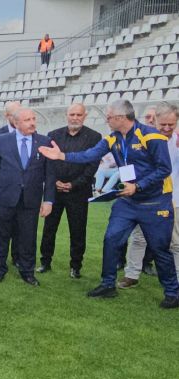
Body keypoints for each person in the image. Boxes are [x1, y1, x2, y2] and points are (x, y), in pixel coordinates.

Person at [38, 99, 179, 308]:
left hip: (154, 203)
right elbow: (89, 155)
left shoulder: (152, 136)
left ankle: (172, 293)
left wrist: (138, 186)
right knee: (111, 239)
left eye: (109, 117)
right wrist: (61, 155)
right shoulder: (112, 138)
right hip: (127, 202)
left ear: (121, 118)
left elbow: (164, 169)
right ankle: (107, 284)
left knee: (160, 248)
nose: (107, 120)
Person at [0, 107, 55, 286]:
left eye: (33, 119)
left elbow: (50, 174)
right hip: (5, 196)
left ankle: (27, 271)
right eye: (27, 120)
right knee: (1, 235)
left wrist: (48, 200)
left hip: (31, 199)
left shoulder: (44, 141)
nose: (32, 123)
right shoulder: (1, 140)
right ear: (16, 123)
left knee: (28, 236)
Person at [119, 102, 179, 289]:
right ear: (155, 121)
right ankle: (131, 274)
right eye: (163, 124)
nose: (167, 128)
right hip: (145, 198)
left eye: (171, 124)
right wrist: (129, 186)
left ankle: (176, 279)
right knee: (139, 238)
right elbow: (128, 165)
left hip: (174, 199)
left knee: (175, 242)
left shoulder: (177, 141)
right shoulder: (141, 140)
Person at [38, 104, 100, 277]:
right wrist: (55, 182)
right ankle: (45, 262)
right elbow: (48, 162)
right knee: (49, 229)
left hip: (79, 192)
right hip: (55, 191)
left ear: (85, 116)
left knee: (78, 231)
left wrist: (73, 184)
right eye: (72, 114)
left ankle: (76, 266)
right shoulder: (53, 135)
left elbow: (92, 166)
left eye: (79, 115)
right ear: (66, 115)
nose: (75, 118)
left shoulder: (94, 137)